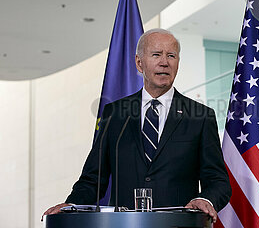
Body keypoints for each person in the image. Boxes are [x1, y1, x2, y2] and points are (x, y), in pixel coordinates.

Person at [43, 29, 231, 223]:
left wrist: (205, 199)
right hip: (124, 225)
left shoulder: (200, 116)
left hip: (177, 225)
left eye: (171, 56)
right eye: (156, 54)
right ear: (139, 63)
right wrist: (71, 205)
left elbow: (218, 181)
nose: (164, 62)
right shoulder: (115, 114)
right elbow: (93, 178)